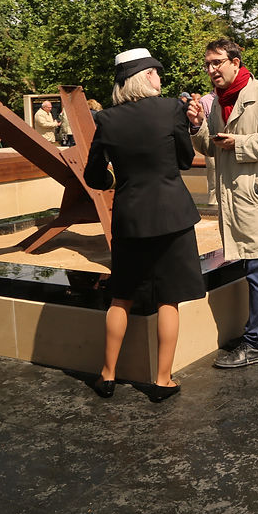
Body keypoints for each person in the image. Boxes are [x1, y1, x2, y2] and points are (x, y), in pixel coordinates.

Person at [84, 48, 205, 401]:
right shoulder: (171, 109)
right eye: (157, 72)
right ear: (147, 76)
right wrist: (192, 125)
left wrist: (112, 182)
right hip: (172, 216)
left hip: (130, 217)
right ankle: (162, 380)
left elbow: (94, 175)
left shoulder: (105, 119)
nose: (161, 78)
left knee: (121, 297)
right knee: (169, 299)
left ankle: (107, 375)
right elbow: (184, 159)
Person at [188, 38, 258, 369]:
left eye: (217, 63)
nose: (211, 70)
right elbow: (210, 149)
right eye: (207, 64)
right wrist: (196, 126)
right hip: (236, 200)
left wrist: (238, 142)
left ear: (236, 62)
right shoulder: (217, 102)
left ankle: (256, 344)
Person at [198, 92, 218, 205]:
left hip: (229, 143)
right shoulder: (205, 100)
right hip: (212, 144)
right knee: (214, 179)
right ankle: (213, 205)